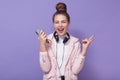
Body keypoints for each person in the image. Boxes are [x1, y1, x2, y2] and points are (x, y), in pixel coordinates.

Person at [39, 2, 94, 80]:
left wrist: (84, 50)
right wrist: (42, 44)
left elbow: (75, 71)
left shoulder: (75, 43)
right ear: (53, 24)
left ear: (68, 23)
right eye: (57, 22)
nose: (60, 25)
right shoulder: (46, 40)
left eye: (63, 22)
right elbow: (45, 69)